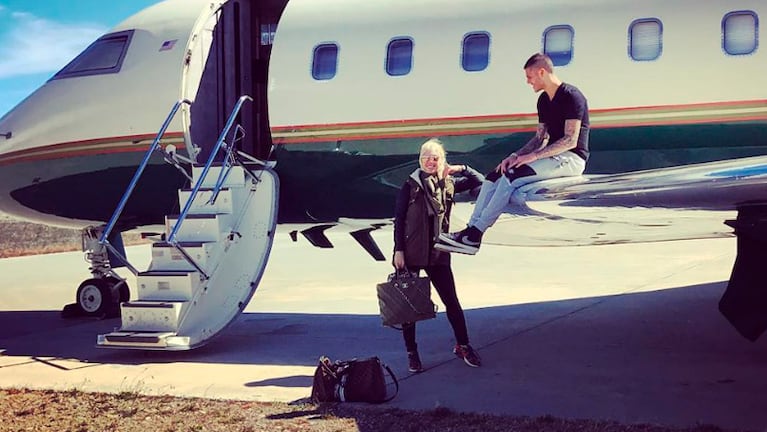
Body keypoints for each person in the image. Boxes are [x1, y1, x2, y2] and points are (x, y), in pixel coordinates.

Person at [436, 52, 590, 255]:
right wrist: (516, 156)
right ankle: (469, 231)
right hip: (549, 157)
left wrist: (532, 157)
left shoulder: (572, 96)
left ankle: (475, 234)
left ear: (541, 72)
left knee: (511, 177)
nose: (528, 82)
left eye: (529, 76)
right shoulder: (543, 101)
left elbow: (570, 140)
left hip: (570, 159)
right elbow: (539, 139)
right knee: (495, 175)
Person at [392, 138, 484, 372]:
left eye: (436, 158)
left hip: (438, 252)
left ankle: (463, 346)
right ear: (420, 160)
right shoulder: (410, 185)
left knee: (451, 301)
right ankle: (412, 354)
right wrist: (398, 250)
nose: (431, 162)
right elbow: (399, 219)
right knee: (409, 308)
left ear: (443, 160)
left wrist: (460, 168)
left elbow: (481, 181)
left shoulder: (449, 183)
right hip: (411, 253)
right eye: (427, 157)